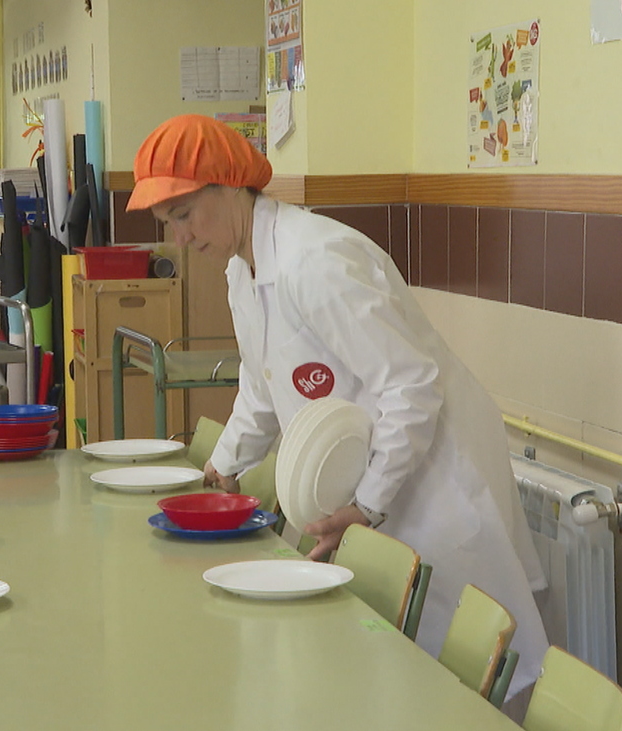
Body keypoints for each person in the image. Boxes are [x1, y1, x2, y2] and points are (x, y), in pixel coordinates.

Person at [126, 114, 549, 700]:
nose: (179, 238)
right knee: (398, 680)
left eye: (183, 215)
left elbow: (412, 386)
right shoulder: (241, 273)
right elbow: (262, 385)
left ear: (230, 186)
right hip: (378, 493)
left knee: (464, 685)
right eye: (167, 223)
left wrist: (369, 504)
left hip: (435, 490)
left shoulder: (316, 262)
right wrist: (220, 470)